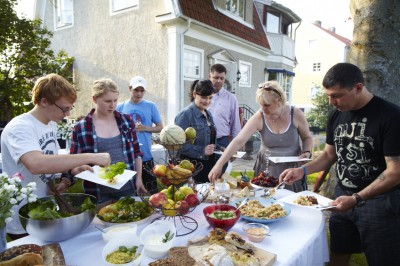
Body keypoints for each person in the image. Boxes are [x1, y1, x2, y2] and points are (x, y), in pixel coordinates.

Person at [279, 63, 400, 266]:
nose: (331, 101)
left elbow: (395, 172)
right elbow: (329, 154)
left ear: (358, 88)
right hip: (341, 197)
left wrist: (356, 198)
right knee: (338, 255)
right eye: (328, 95)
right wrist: (302, 170)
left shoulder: (390, 116)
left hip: (380, 204)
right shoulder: (336, 114)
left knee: (383, 260)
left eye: (337, 95)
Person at [1, 74, 111, 238]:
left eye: (70, 108)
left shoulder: (50, 123)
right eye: (64, 108)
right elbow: (36, 164)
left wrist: (72, 170)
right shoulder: (20, 127)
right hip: (24, 219)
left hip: (45, 211)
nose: (67, 114)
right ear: (44, 101)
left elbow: (48, 156)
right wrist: (90, 157)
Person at [208, 81, 312, 190]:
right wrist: (219, 164)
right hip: (267, 170)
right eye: (261, 105)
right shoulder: (259, 116)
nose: (263, 109)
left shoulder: (296, 114)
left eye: (267, 105)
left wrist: (307, 152)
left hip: (293, 169)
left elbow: (307, 137)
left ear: (279, 100)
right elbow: (238, 141)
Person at [68, 78, 146, 203]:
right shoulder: (81, 127)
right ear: (94, 99)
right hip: (97, 193)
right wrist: (78, 169)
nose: (113, 105)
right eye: (107, 101)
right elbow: (72, 162)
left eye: (115, 100)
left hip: (128, 188)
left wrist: (138, 179)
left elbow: (137, 153)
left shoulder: (126, 121)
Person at [116, 76, 163, 194]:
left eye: (142, 91)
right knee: (128, 194)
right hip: (127, 158)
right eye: (136, 90)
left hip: (146, 156)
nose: (139, 93)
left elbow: (160, 127)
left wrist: (145, 128)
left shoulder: (151, 106)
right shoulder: (120, 107)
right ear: (129, 88)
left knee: (151, 193)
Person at [175, 79, 218, 184]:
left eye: (210, 98)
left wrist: (220, 148)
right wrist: (202, 151)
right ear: (194, 94)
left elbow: (209, 139)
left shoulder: (208, 114)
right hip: (192, 169)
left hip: (208, 166)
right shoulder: (186, 114)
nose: (207, 101)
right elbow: (177, 145)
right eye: (203, 97)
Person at [208, 64, 241, 172]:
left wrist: (236, 147)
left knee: (221, 173)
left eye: (221, 78)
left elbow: (235, 123)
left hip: (222, 141)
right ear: (210, 76)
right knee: (203, 173)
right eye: (216, 77)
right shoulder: (202, 96)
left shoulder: (231, 98)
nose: (218, 81)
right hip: (204, 141)